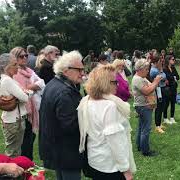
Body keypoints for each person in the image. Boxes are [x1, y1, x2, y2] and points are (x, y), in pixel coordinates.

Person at [78, 64, 136, 180]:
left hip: (95, 159)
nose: (117, 84)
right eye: (114, 82)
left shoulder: (86, 100)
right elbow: (115, 140)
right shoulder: (109, 105)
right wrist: (125, 169)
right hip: (110, 165)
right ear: (105, 83)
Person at [39, 50, 85, 180]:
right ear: (65, 71)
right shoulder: (64, 92)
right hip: (66, 151)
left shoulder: (54, 83)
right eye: (79, 70)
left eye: (83, 69)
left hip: (57, 148)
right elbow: (70, 125)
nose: (82, 73)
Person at [10, 47, 45, 161]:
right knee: (25, 141)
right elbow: (21, 93)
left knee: (31, 138)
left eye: (26, 55)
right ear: (14, 58)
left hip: (32, 109)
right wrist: (33, 87)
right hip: (22, 112)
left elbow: (42, 83)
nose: (25, 58)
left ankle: (28, 164)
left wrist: (30, 87)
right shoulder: (15, 73)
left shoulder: (29, 71)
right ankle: (25, 165)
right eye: (21, 56)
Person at [0, 53, 29, 157]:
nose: (17, 67)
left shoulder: (6, 79)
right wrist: (25, 93)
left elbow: (22, 95)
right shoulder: (8, 81)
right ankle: (11, 173)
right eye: (15, 64)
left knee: (14, 150)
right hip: (14, 122)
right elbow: (25, 97)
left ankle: (14, 172)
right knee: (13, 153)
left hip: (13, 120)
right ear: (7, 67)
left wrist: (22, 94)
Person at [132, 59, 162, 156]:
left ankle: (140, 145)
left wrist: (154, 83)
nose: (147, 71)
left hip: (144, 106)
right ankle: (145, 150)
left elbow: (151, 86)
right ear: (140, 69)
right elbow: (147, 90)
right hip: (143, 106)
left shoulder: (142, 78)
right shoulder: (137, 79)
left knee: (141, 126)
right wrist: (156, 81)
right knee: (146, 129)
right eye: (146, 69)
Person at [149, 55, 167, 134]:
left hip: (161, 88)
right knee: (159, 108)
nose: (161, 63)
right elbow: (163, 77)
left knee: (161, 106)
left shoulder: (157, 69)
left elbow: (164, 77)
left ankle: (159, 124)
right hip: (157, 90)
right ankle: (157, 126)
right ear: (156, 62)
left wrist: (161, 70)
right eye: (160, 61)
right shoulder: (154, 70)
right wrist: (161, 70)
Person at [163, 55, 179, 124]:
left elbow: (177, 77)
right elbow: (167, 77)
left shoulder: (173, 67)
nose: (174, 60)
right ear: (168, 60)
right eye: (172, 59)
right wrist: (173, 78)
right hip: (167, 88)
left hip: (174, 87)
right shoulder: (164, 68)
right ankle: (165, 118)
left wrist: (173, 78)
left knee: (173, 103)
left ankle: (172, 117)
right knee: (166, 103)